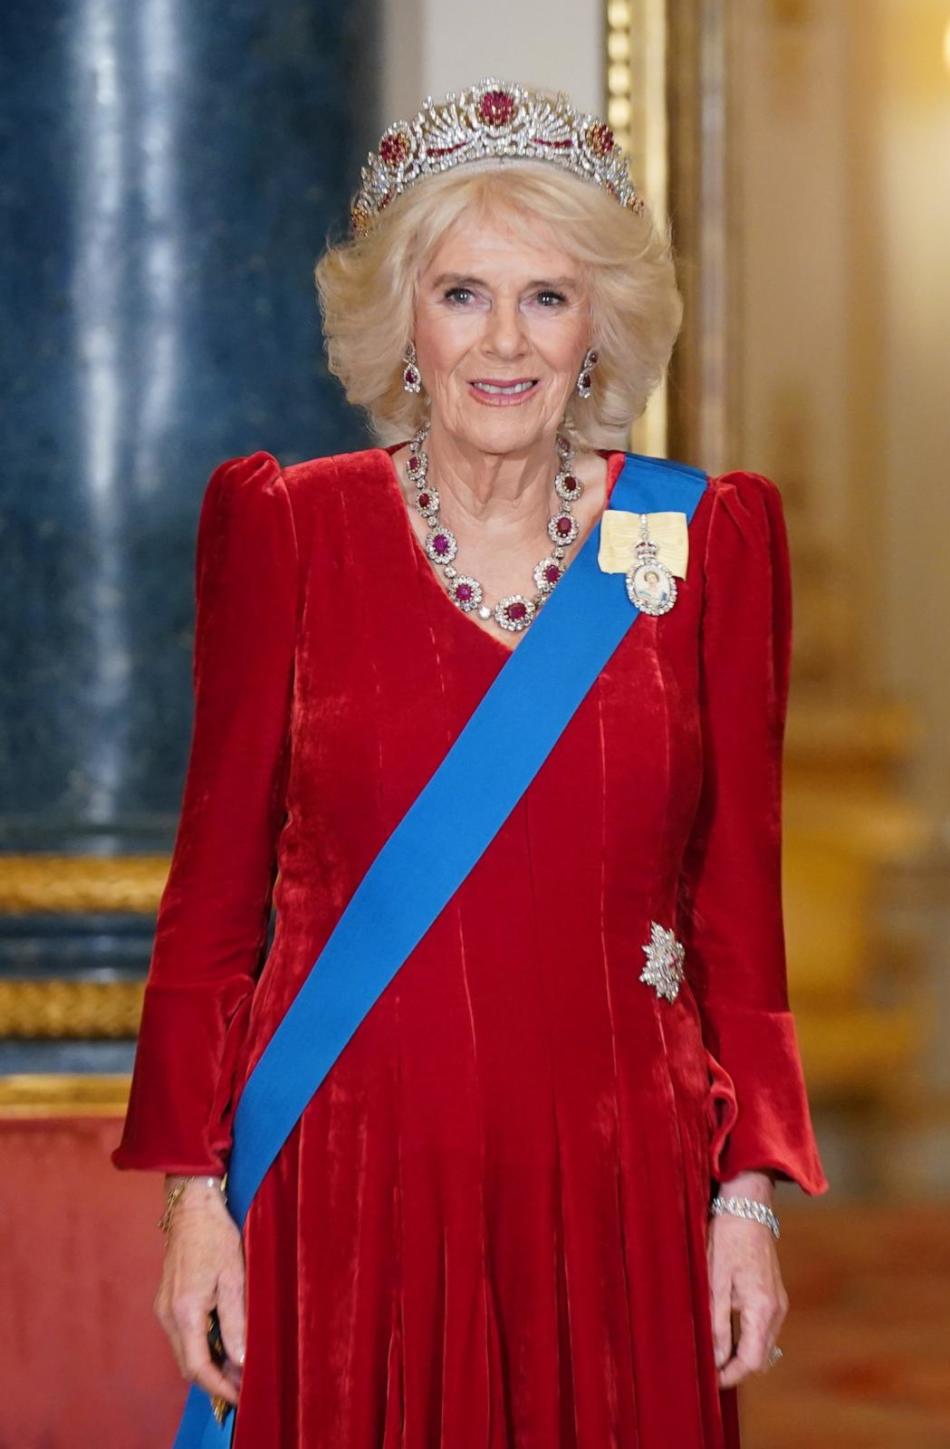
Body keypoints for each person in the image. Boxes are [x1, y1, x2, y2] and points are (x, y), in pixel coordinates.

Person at [111, 77, 829, 1449]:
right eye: (461, 295)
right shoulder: (290, 530)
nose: (505, 341)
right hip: (349, 1178)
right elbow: (209, 906)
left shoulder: (701, 540)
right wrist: (195, 1198)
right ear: (402, 326)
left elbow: (740, 915)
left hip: (620, 1189)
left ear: (599, 330)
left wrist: (745, 1198)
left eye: (548, 298)